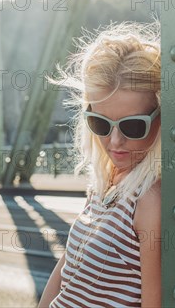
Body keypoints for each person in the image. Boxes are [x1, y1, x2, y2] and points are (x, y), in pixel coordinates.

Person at [38, 21, 162, 308]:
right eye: (100, 123)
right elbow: (68, 271)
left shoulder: (148, 201)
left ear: (161, 116)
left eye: (132, 126)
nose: (114, 141)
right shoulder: (107, 181)